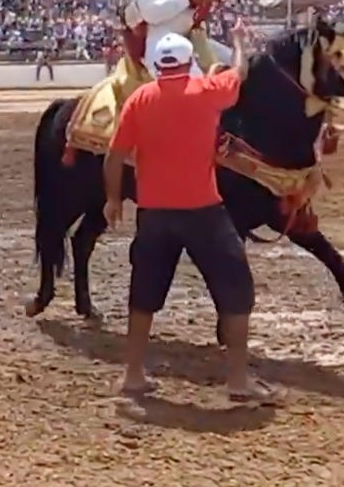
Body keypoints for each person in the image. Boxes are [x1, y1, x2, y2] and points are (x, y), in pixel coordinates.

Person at [102, 24, 279, 405]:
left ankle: (133, 374)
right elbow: (240, 71)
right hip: (203, 212)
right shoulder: (206, 92)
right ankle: (237, 379)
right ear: (188, 61)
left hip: (154, 214)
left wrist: (113, 199)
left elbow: (114, 156)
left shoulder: (140, 99)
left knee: (144, 293)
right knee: (236, 290)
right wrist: (237, 41)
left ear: (157, 64)